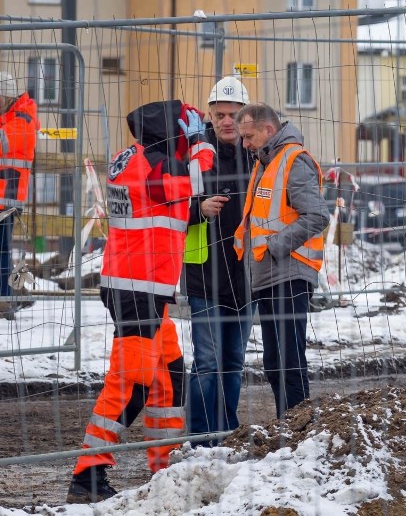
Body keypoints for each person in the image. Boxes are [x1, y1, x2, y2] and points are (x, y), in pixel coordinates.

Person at [67, 100, 214, 503]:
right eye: (184, 130)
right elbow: (199, 178)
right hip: (138, 288)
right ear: (170, 133)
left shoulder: (132, 159)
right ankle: (88, 472)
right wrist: (202, 142)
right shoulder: (154, 164)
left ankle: (164, 467)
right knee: (132, 381)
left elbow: (168, 203)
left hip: (144, 286)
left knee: (169, 372)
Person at [234, 103, 328, 417]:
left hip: (289, 273)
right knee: (275, 362)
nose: (244, 143)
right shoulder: (265, 161)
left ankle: (299, 431)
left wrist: (275, 246)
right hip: (267, 274)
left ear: (268, 130)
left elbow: (317, 215)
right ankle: (288, 427)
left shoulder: (292, 161)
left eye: (248, 136)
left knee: (288, 360)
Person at [184, 77, 255, 446]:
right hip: (204, 275)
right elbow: (172, 207)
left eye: (233, 114)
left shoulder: (258, 155)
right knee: (207, 364)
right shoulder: (196, 157)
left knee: (233, 363)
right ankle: (199, 438)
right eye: (220, 114)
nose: (227, 121)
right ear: (209, 115)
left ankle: (227, 432)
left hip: (246, 277)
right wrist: (198, 209)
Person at [0, 72, 38, 320]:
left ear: (6, 97)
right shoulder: (10, 117)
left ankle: (5, 300)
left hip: (7, 199)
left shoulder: (23, 120)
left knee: (1, 251)